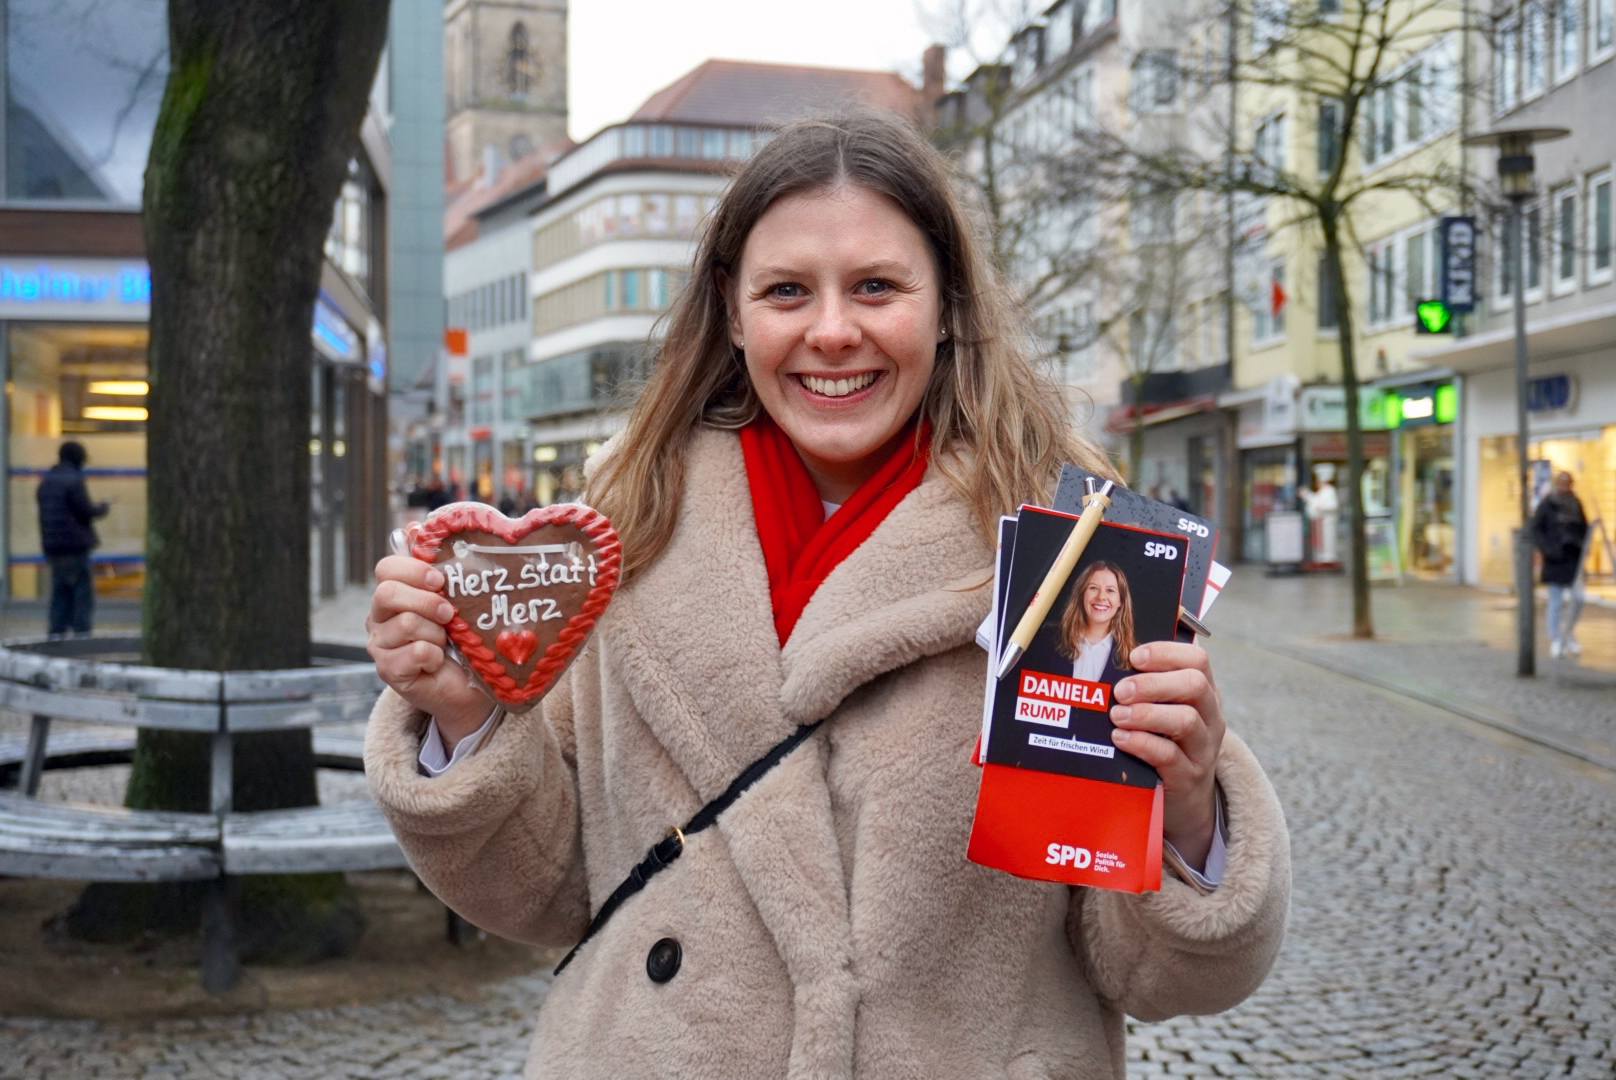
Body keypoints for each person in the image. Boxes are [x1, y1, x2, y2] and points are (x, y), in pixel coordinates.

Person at [364, 111, 1289, 1079]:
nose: (832, 331)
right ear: (731, 309)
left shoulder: (1072, 552)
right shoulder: (625, 527)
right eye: (787, 291)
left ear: (944, 305)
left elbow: (1152, 972)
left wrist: (1184, 811)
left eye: (877, 287)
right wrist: (468, 718)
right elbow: (546, 893)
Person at [36, 441, 109, 637]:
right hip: (74, 547)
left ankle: (56, 634)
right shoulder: (74, 480)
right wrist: (103, 507)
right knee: (81, 594)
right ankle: (81, 636)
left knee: (60, 592)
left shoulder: (47, 481)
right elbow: (85, 510)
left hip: (53, 547)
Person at [1532, 470, 1588, 658]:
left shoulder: (1576, 504)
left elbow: (1583, 528)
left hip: (1573, 559)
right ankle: (1555, 638)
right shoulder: (1547, 505)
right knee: (1555, 601)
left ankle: (1568, 633)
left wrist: (1582, 544)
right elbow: (1536, 529)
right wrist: (1548, 549)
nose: (1565, 487)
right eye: (1562, 483)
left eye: (1568, 484)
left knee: (1578, 598)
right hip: (1555, 558)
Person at [1057, 561, 1136, 687]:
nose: (1101, 597)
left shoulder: (1133, 658)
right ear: (1082, 594)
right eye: (1093, 588)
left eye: (1110, 590)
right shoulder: (1048, 639)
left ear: (1120, 600)